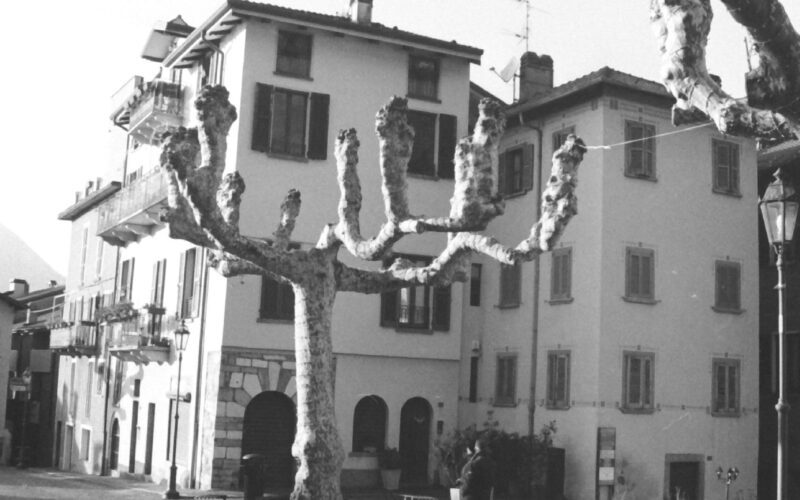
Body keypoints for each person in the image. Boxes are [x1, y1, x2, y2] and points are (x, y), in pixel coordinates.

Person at [457, 434, 495, 500]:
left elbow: (469, 481)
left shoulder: (475, 463)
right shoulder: (491, 462)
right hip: (485, 495)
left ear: (476, 448)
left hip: (473, 495)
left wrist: (463, 489)